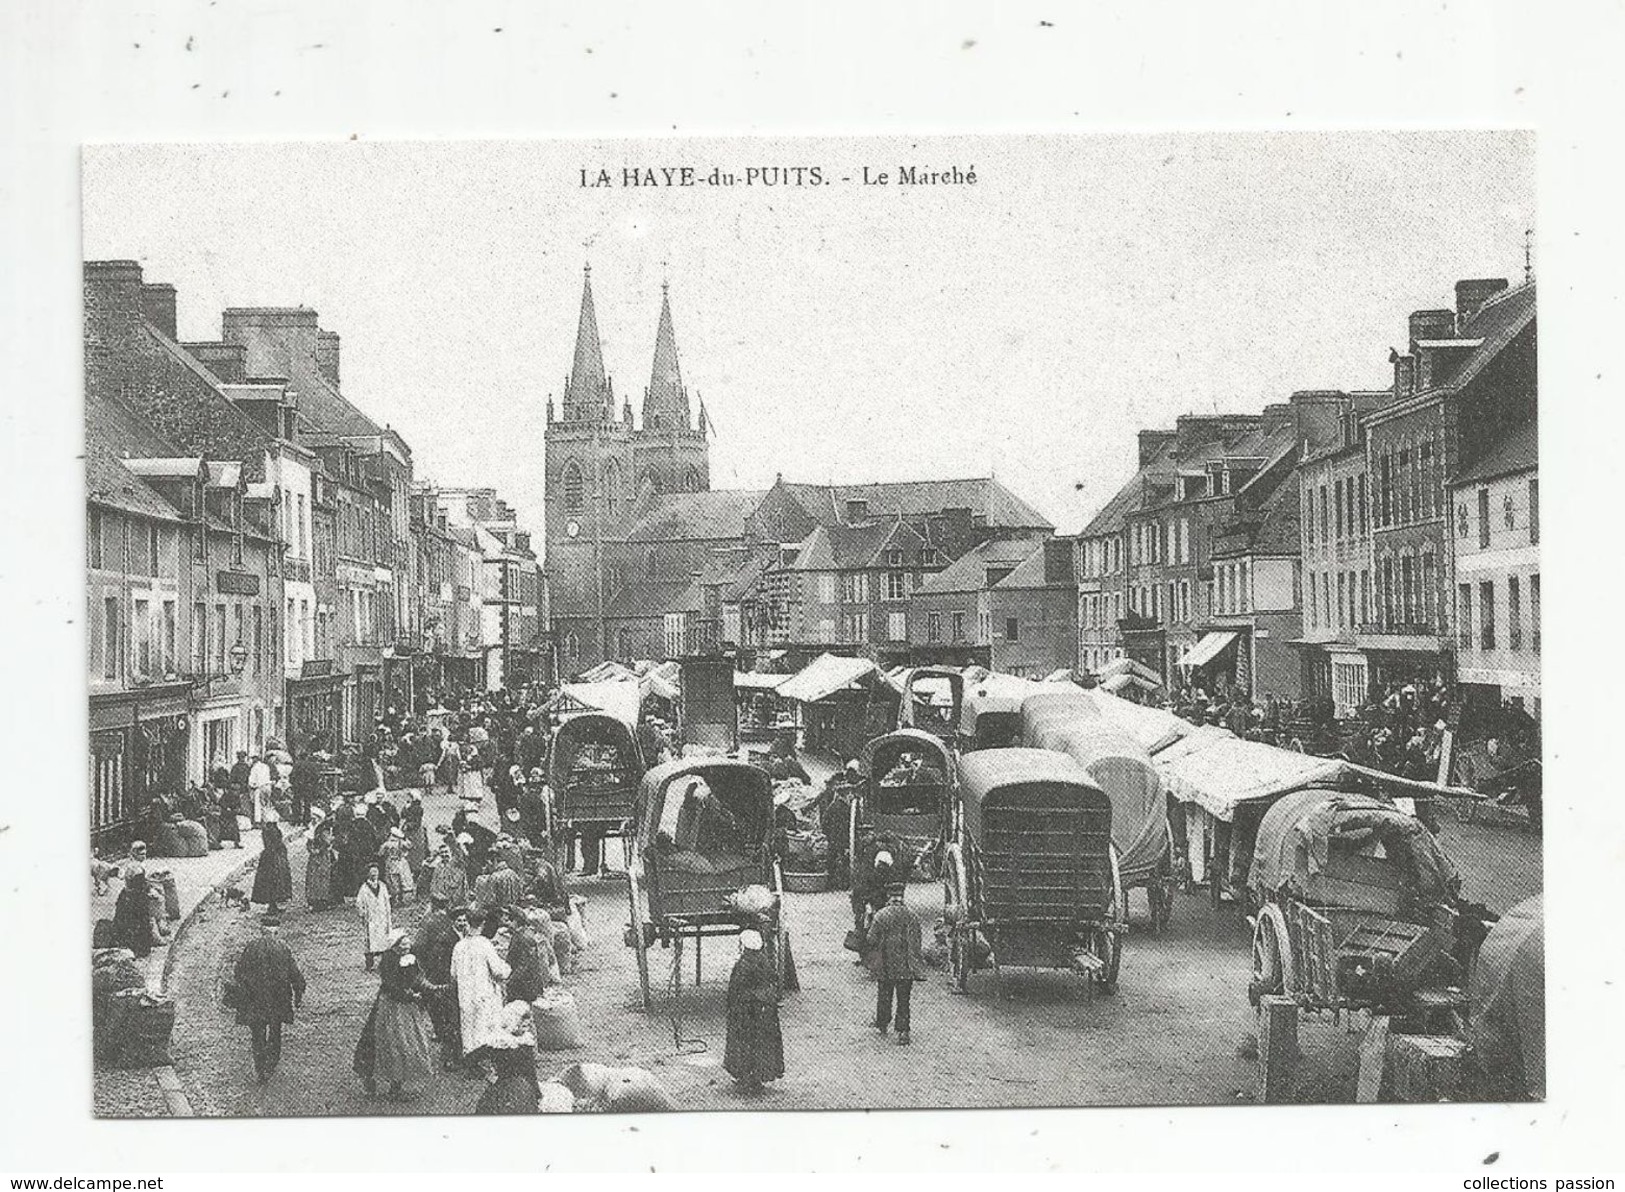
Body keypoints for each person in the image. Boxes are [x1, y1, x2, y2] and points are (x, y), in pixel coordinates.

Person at [355, 929, 444, 1099]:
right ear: (395, 946)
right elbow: (390, 985)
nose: (406, 948)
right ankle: (371, 1080)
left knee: (406, 1044)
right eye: (402, 946)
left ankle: (396, 1085)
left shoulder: (411, 958)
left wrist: (431, 989)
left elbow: (417, 978)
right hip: (390, 1007)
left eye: (407, 945)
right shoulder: (388, 961)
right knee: (389, 1043)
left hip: (406, 1007)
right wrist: (410, 995)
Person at [229, 911, 306, 1084]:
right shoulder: (283, 948)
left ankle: (260, 1066)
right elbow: (295, 974)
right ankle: (271, 1064)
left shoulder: (251, 947)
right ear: (276, 931)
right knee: (275, 1031)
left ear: (261, 931)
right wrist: (298, 994)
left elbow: (239, 972)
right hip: (278, 999)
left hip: (255, 998)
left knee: (257, 1033)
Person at [450, 904, 512, 1076]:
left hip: (465, 992)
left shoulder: (459, 946)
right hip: (484, 992)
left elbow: (453, 974)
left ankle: (471, 1063)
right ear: (483, 924)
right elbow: (498, 971)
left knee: (468, 1027)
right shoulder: (484, 944)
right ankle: (488, 1061)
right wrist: (508, 968)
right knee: (485, 1027)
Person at [722, 929, 784, 1092]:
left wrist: (731, 1007)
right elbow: (774, 979)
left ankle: (745, 1077)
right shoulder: (765, 961)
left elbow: (734, 989)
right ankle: (758, 1076)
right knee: (763, 1043)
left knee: (744, 1043)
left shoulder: (742, 964)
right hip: (765, 1009)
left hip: (746, 1010)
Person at [866, 883, 926, 1044]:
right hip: (906, 965)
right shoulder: (912, 916)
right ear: (902, 897)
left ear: (889, 897)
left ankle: (883, 1022)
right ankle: (903, 1032)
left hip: (886, 964)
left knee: (884, 994)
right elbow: (917, 942)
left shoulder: (880, 915)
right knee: (903, 998)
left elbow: (871, 939)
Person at [413, 896, 463, 1067]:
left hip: (436, 971)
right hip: (451, 972)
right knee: (450, 1011)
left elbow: (417, 946)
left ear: (432, 905)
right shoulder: (452, 921)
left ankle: (445, 1043)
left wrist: (424, 965)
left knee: (437, 1008)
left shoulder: (428, 921)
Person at [250, 815, 293, 913]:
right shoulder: (268, 830)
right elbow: (270, 844)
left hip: (274, 856)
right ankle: (272, 904)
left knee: (275, 881)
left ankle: (273, 904)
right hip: (272, 858)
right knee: (273, 881)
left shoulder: (270, 829)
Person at [111, 869, 159, 958]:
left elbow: (119, 918)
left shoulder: (126, 894)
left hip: (129, 941)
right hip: (142, 944)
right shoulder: (142, 894)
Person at [356, 863, 393, 971]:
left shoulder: (382, 886)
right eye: (372, 872)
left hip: (382, 917)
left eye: (376, 872)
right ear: (368, 874)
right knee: (370, 942)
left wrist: (388, 916)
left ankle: (385, 964)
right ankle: (369, 964)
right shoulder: (364, 888)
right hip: (371, 918)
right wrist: (363, 915)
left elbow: (387, 902)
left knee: (384, 941)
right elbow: (359, 904)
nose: (374, 874)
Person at [378, 826, 416, 904]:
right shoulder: (401, 843)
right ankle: (404, 899)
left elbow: (380, 853)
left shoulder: (386, 844)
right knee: (403, 879)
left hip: (390, 863)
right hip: (400, 862)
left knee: (393, 881)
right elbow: (410, 846)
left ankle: (396, 899)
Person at [305, 817, 336, 910]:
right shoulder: (323, 830)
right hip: (322, 857)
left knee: (314, 878)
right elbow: (327, 842)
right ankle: (322, 900)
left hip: (314, 858)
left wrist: (312, 850)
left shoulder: (312, 829)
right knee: (322, 877)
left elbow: (308, 844)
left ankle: (314, 900)